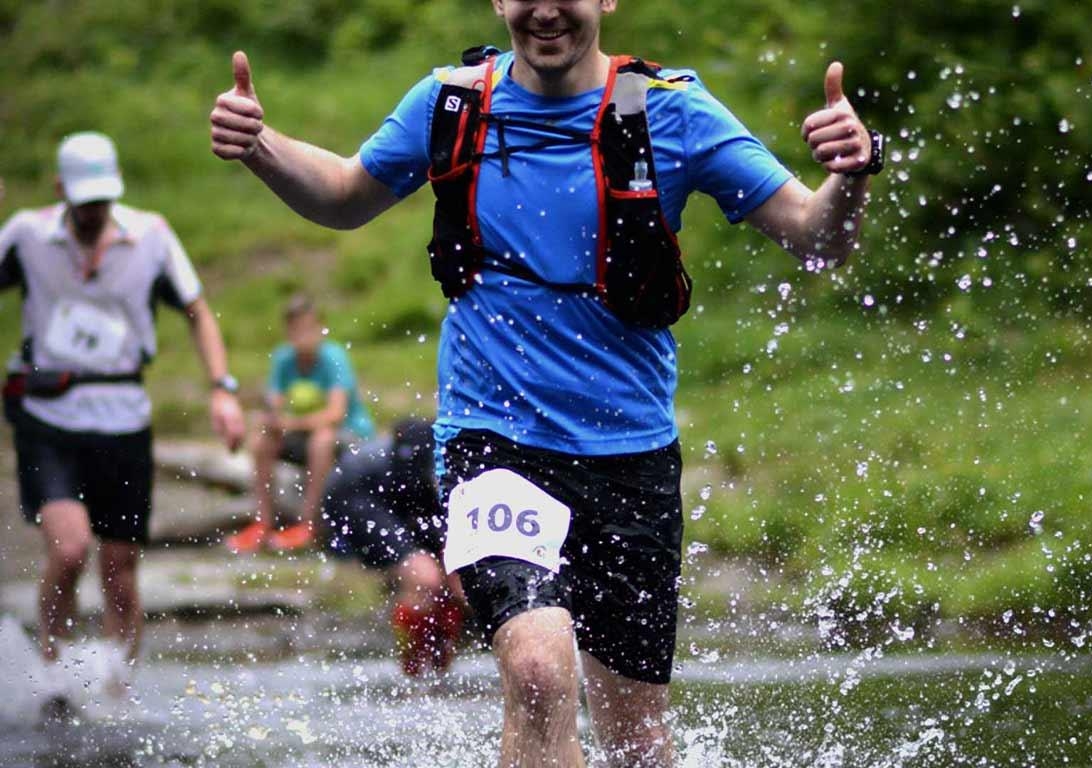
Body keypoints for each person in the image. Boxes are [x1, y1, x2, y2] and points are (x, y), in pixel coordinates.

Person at [209, 0, 879, 763]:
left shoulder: (673, 111)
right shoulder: (453, 103)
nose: (546, 9)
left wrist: (850, 173)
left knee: (638, 742)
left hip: (632, 460)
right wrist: (258, 144)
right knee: (536, 670)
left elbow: (817, 238)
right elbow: (341, 194)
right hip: (494, 443)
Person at [1, 131, 246, 674]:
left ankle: (117, 690)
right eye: (83, 200)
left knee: (119, 567)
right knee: (68, 551)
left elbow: (197, 310)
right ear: (60, 188)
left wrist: (222, 389)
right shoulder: (26, 235)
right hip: (48, 417)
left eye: (101, 200)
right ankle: (51, 672)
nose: (92, 212)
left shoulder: (151, 237)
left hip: (123, 419)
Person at [225, 293, 375, 553]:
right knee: (263, 440)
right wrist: (269, 417)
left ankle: (309, 524)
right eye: (296, 330)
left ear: (320, 329)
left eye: (308, 328)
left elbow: (335, 414)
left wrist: (290, 423)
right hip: (303, 433)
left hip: (347, 436)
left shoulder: (333, 358)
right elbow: (274, 402)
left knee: (322, 439)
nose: (303, 336)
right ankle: (262, 521)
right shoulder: (284, 359)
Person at [322, 418, 468, 676]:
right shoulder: (413, 465)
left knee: (449, 581)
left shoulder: (452, 469)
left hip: (399, 495)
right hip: (357, 496)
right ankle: (411, 671)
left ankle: (438, 669)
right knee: (425, 578)